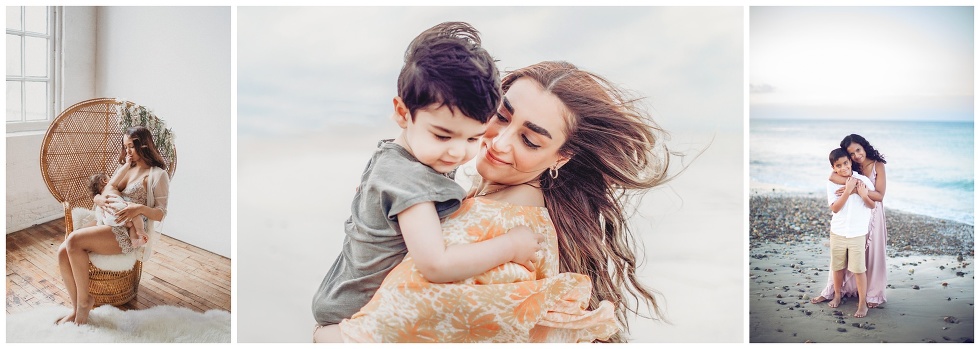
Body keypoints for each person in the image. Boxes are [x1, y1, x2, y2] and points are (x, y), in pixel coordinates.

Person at [316, 61, 672, 343]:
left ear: (560, 158)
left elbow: (401, 323)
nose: (499, 142)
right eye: (501, 117)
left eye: (530, 140)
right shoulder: (499, 202)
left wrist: (325, 337)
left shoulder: (496, 224)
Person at [310, 21, 544, 336]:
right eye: (443, 135)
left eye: (473, 138)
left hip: (341, 293)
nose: (457, 152)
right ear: (403, 113)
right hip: (353, 312)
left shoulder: (402, 152)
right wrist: (511, 245)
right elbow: (436, 265)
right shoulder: (411, 180)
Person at [56, 126, 171, 325]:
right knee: (62, 251)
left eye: (131, 146)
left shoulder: (157, 175)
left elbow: (161, 213)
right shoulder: (128, 167)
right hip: (108, 220)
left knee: (73, 240)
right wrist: (99, 198)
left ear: (143, 145)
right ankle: (77, 307)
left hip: (127, 231)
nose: (127, 151)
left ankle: (85, 304)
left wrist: (139, 208)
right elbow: (109, 187)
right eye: (125, 146)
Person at [811, 134, 889, 309]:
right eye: (851, 154)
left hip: (873, 211)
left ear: (864, 146)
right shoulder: (849, 166)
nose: (856, 156)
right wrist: (853, 187)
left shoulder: (878, 165)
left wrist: (855, 191)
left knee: (871, 255)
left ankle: (873, 293)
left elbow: (879, 195)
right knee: (845, 254)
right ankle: (841, 289)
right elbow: (832, 177)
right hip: (853, 215)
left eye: (858, 150)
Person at [822, 148, 874, 318]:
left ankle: (862, 303)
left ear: (851, 162)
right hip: (838, 230)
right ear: (833, 168)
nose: (843, 167)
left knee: (859, 269)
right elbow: (835, 208)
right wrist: (847, 190)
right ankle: (837, 295)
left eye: (846, 163)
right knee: (838, 267)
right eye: (839, 165)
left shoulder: (863, 180)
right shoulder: (832, 183)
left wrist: (860, 192)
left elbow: (872, 205)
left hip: (857, 232)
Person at [88, 173, 149, 248]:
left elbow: (96, 200)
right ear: (104, 181)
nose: (112, 179)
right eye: (109, 177)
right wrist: (127, 163)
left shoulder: (100, 195)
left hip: (108, 220)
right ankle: (139, 231)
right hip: (117, 209)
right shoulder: (110, 186)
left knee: (130, 224)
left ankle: (134, 241)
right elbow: (119, 175)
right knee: (135, 214)